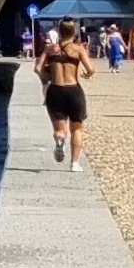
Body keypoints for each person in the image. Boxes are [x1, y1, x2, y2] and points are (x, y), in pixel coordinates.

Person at [36, 19, 95, 168]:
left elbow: (37, 68)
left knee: (59, 129)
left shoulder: (50, 49)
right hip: (73, 90)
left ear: (59, 32)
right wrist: (87, 75)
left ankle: (60, 139)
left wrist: (47, 76)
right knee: (76, 128)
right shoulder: (78, 49)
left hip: (55, 90)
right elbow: (91, 69)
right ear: (73, 32)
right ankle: (74, 163)